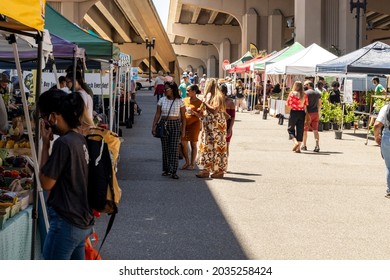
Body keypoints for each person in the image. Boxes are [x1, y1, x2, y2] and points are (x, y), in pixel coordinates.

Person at [38, 89, 94, 259]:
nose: (45, 123)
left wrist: (46, 146)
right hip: (81, 220)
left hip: (66, 222)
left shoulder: (63, 143)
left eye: (44, 118)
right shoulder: (79, 138)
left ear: (54, 116)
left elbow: (46, 183)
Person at [152, 81, 186, 179]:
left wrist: (183, 130)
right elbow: (157, 114)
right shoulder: (161, 100)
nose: (164, 91)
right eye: (164, 89)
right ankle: (166, 169)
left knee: (174, 148)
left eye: (166, 89)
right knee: (165, 148)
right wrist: (153, 126)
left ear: (172, 90)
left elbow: (183, 117)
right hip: (163, 124)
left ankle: (173, 171)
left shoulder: (180, 101)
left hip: (175, 124)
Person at [196, 78, 228, 178]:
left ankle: (219, 170)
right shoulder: (210, 96)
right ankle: (206, 169)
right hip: (209, 127)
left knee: (218, 148)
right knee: (207, 147)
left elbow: (214, 110)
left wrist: (204, 102)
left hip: (217, 127)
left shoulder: (217, 96)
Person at [181, 84, 202, 170]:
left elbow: (201, 116)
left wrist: (193, 113)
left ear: (194, 92)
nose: (186, 92)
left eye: (188, 91)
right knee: (183, 143)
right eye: (186, 90)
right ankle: (187, 161)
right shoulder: (184, 100)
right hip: (185, 124)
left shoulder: (199, 102)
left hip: (194, 124)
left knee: (193, 143)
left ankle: (192, 163)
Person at [286, 81, 308, 153]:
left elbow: (288, 103)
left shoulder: (292, 94)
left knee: (290, 129)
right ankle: (298, 148)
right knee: (300, 130)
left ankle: (295, 142)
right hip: (302, 113)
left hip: (294, 112)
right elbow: (306, 105)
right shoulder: (304, 94)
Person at [374, 103, 390, 198]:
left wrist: (376, 136)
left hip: (388, 137)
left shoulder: (386, 108)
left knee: (389, 166)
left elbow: (377, 125)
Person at [302, 80, 321, 152]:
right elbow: (320, 104)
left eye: (305, 85)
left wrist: (305, 113)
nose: (304, 86)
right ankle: (317, 145)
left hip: (308, 114)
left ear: (309, 85)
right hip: (316, 113)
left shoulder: (306, 93)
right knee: (315, 130)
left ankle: (304, 145)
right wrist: (318, 112)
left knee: (305, 130)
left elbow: (305, 105)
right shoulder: (317, 93)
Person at [220, 83, 235, 156]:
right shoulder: (217, 101)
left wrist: (230, 129)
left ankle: (225, 164)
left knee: (226, 147)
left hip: (227, 126)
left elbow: (232, 117)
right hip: (218, 127)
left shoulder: (230, 102)